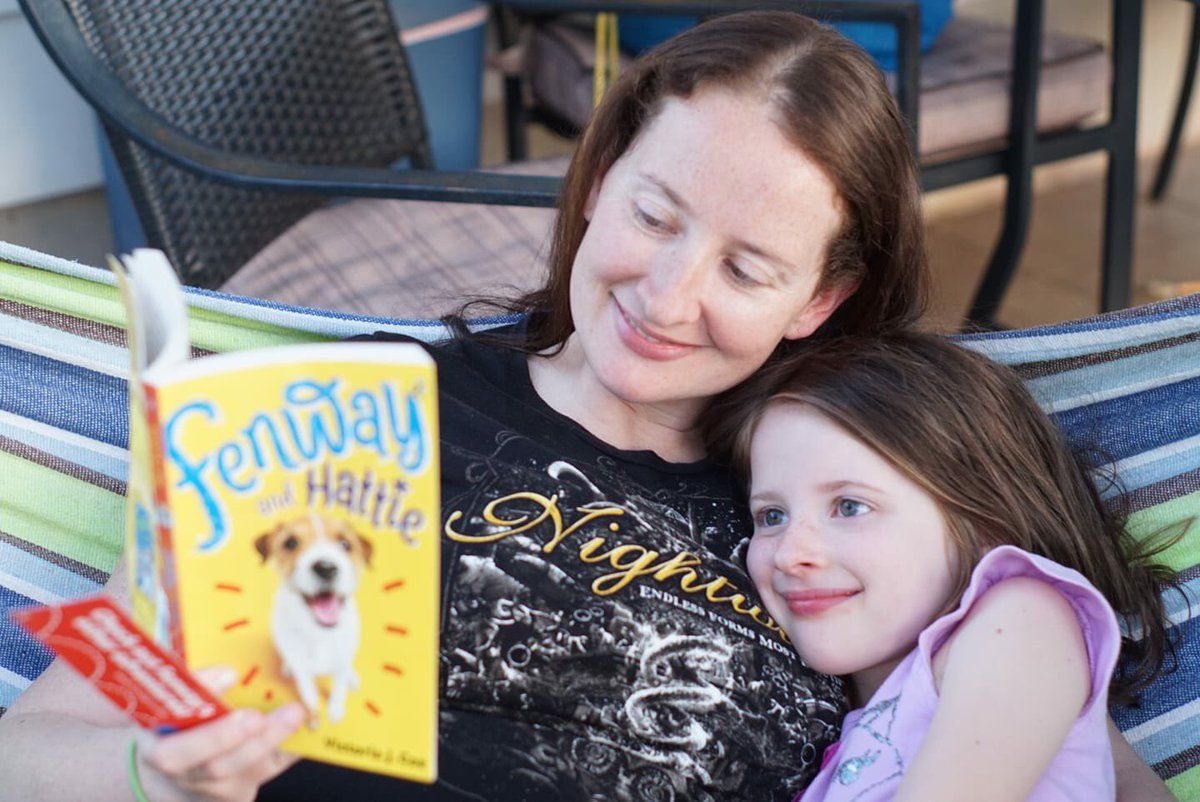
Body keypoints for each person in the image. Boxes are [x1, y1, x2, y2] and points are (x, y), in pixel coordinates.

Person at [0, 11, 1171, 802]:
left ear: (825, 296)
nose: (667, 296)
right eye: (654, 216)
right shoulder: (355, 416)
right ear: (598, 177)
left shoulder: (838, 505)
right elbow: (32, 749)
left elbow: (1069, 743)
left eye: (748, 271)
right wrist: (159, 778)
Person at [703, 331, 1178, 801]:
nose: (789, 553)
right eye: (771, 516)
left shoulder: (1018, 618)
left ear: (985, 520)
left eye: (849, 506)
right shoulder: (854, 722)